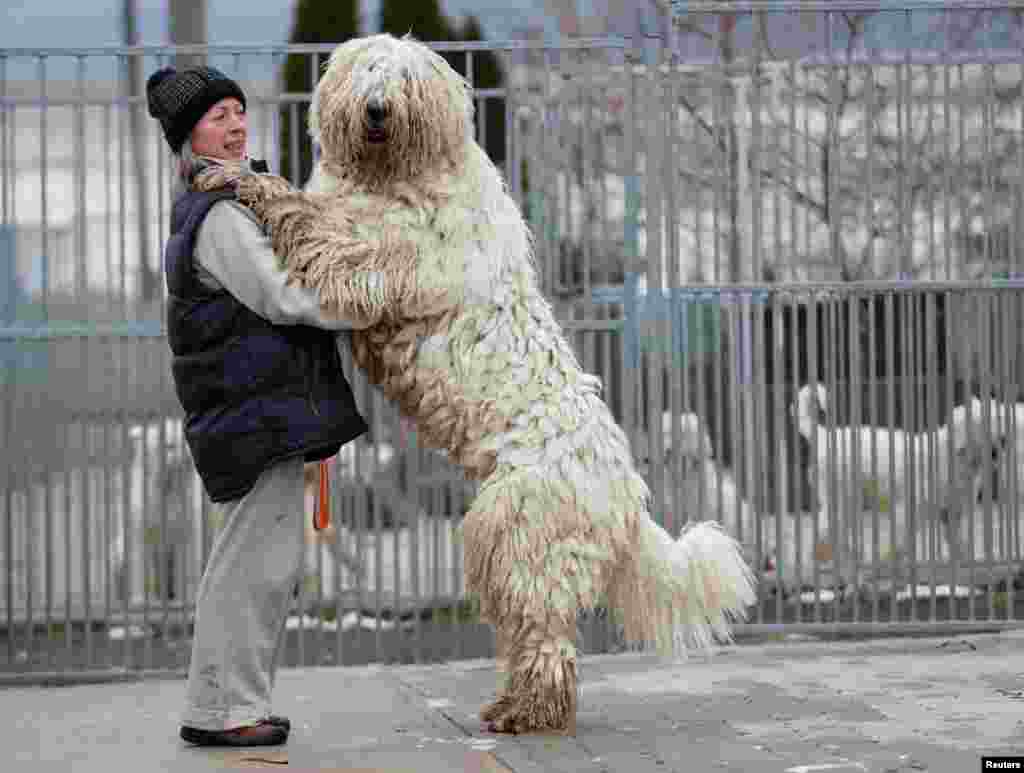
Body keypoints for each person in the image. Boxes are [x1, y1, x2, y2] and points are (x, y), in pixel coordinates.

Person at [146, 65, 369, 748]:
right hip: (250, 414)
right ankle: (221, 708)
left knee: (255, 562)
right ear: (191, 137)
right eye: (218, 116)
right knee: (253, 566)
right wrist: (369, 297)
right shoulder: (217, 216)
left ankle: (231, 701)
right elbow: (284, 296)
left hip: (254, 410)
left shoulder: (230, 200)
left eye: (239, 110)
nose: (236, 124)